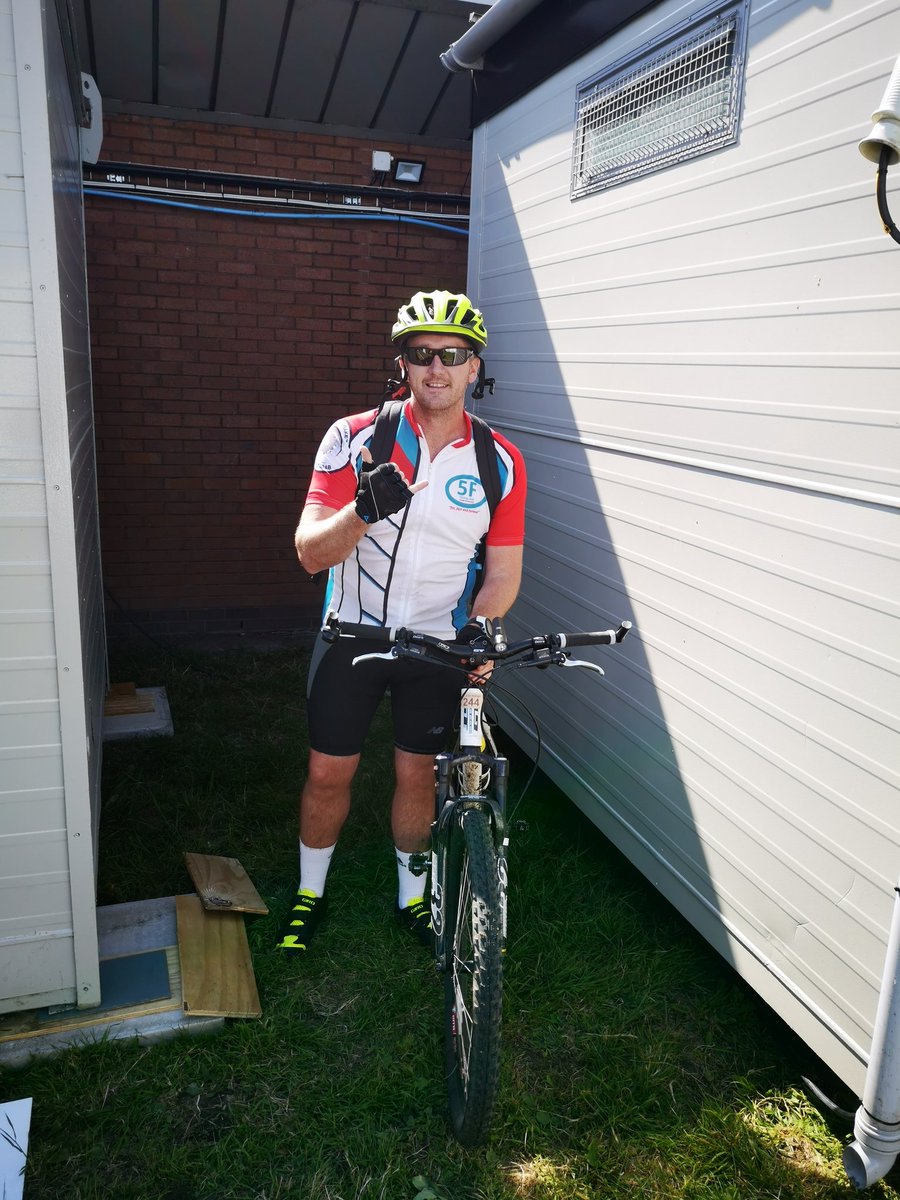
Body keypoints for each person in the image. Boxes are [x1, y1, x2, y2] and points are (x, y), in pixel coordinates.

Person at [277, 290, 527, 952]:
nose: (436, 368)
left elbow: (502, 572)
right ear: (403, 365)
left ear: (475, 368)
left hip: (436, 646)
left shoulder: (498, 461)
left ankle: (411, 899)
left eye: (453, 355)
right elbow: (309, 555)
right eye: (422, 355)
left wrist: (480, 624)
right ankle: (309, 893)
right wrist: (361, 510)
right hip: (353, 636)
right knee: (330, 773)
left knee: (418, 775)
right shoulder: (353, 437)